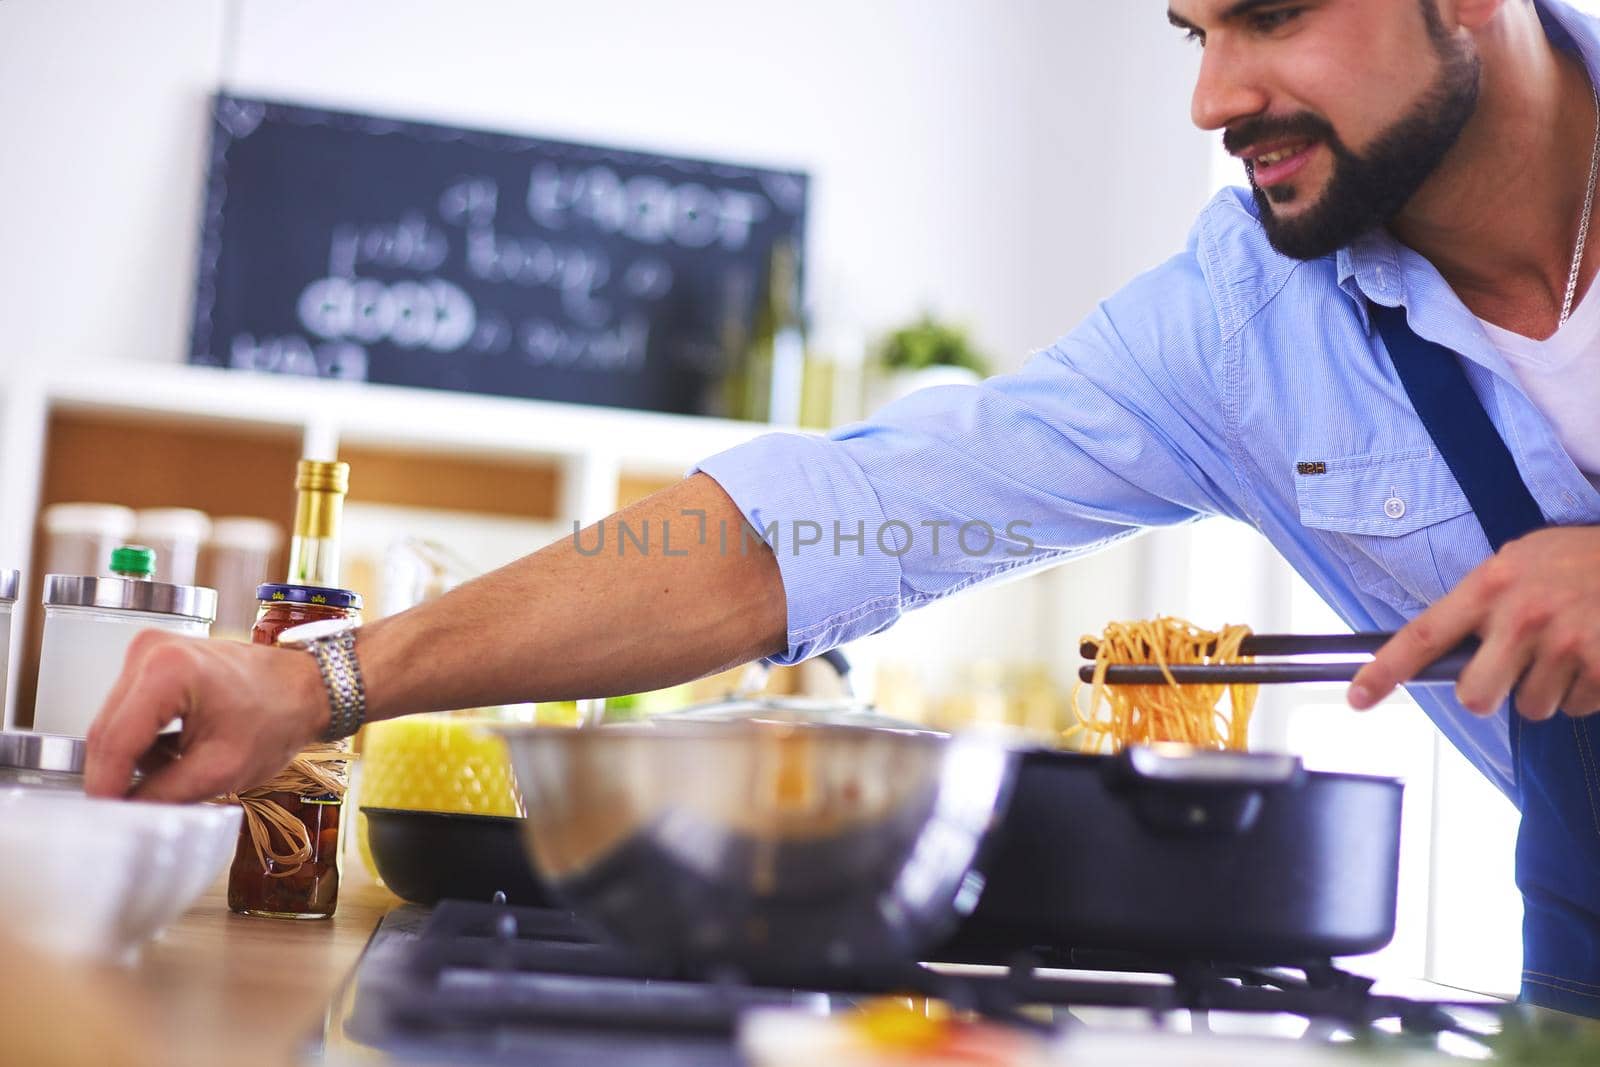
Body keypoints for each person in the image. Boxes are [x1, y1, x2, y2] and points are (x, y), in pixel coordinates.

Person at [85, 0, 1600, 1015]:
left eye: (1269, 10)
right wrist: (312, 677)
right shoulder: (1240, 326)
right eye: (1192, 29)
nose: (1214, 96)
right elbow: (811, 524)